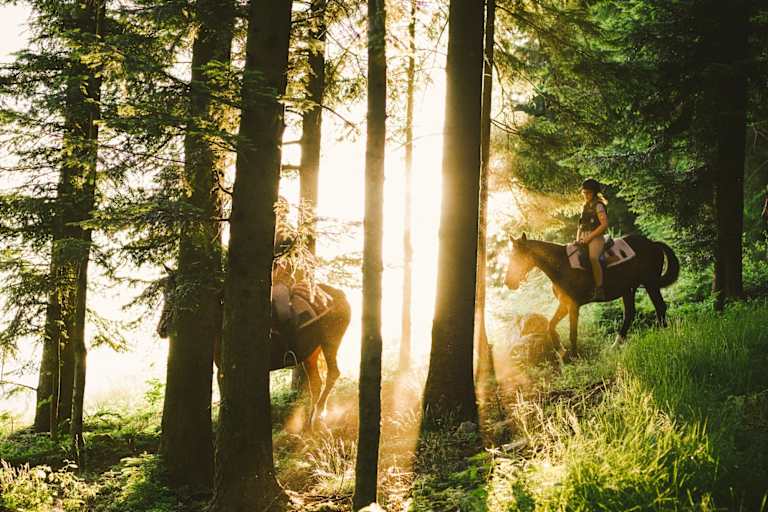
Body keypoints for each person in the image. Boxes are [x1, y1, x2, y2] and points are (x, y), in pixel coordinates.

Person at [577, 178, 609, 300]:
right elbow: (580, 225)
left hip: (596, 237)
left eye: (588, 193)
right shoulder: (584, 206)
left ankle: (600, 289)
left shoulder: (599, 206)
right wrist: (577, 239)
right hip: (584, 237)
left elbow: (604, 224)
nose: (586, 195)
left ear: (594, 193)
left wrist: (589, 237)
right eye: (584, 193)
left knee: (593, 258)